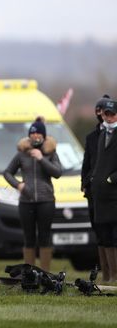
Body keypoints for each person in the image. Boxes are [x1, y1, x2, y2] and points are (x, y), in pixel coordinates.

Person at [3, 117, 62, 272]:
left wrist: (42, 159)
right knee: (29, 238)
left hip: (46, 201)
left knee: (44, 237)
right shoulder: (22, 153)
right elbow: (7, 172)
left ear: (44, 136)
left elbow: (57, 173)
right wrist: (18, 185)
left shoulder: (50, 152)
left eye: (38, 134)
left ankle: (45, 273)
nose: (35, 136)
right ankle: (30, 273)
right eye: (33, 133)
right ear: (29, 135)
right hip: (26, 202)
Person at [82, 95, 112, 280]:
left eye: (106, 111)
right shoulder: (93, 137)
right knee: (99, 230)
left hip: (110, 189)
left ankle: (112, 273)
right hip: (94, 190)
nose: (102, 114)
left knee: (111, 232)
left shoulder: (110, 135)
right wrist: (85, 184)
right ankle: (106, 272)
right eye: (100, 111)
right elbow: (87, 163)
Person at [90, 99, 117, 282]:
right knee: (104, 235)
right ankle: (108, 276)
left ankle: (115, 275)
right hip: (100, 194)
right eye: (106, 114)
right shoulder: (101, 135)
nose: (108, 117)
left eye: (112, 114)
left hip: (114, 193)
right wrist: (94, 180)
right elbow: (97, 162)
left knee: (115, 235)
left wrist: (112, 179)